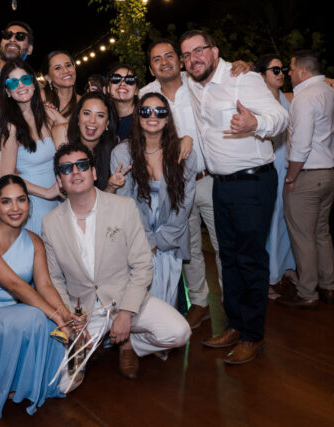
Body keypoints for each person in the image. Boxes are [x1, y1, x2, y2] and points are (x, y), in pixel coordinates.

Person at [179, 29, 288, 364]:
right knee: (228, 258)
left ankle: (253, 335)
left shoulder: (245, 79)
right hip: (221, 184)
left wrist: (256, 123)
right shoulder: (193, 84)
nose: (193, 59)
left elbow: (281, 117)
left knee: (250, 259)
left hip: (252, 182)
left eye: (199, 50)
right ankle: (236, 325)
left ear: (215, 51)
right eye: (187, 55)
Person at [42, 143, 191, 380]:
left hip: (124, 299)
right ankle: (98, 341)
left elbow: (143, 264)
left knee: (179, 332)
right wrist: (71, 319)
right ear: (60, 181)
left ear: (94, 173)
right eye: (67, 168)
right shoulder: (50, 222)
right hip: (85, 311)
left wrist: (126, 314)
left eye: (82, 165)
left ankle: (129, 344)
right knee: (63, 380)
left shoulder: (123, 207)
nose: (76, 172)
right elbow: (55, 279)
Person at [0, 175, 79, 426]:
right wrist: (55, 316)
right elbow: (14, 285)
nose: (15, 208)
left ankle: (38, 382)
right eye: (6, 202)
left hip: (15, 318)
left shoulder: (34, 241)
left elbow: (44, 285)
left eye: (21, 200)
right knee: (36, 315)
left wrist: (65, 315)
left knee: (46, 321)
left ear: (29, 204)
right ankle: (4, 385)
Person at [139, 38, 223, 328]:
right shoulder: (146, 95)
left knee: (222, 244)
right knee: (189, 248)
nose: (164, 62)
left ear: (180, 59)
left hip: (207, 178)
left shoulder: (199, 82)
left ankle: (231, 301)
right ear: (151, 68)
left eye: (169, 56)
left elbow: (232, 77)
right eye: (157, 59)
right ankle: (199, 302)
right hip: (173, 186)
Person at [111, 92, 196, 308]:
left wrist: (164, 240)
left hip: (172, 239)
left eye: (160, 111)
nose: (152, 116)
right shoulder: (122, 153)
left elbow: (185, 204)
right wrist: (148, 242)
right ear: (138, 116)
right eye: (145, 111)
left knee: (167, 304)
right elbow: (126, 203)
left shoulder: (184, 153)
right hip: (137, 238)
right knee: (139, 305)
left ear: (167, 118)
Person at [275, 50, 334, 310]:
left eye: (291, 68)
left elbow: (301, 145)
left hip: (308, 175)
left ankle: (307, 293)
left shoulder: (305, 98)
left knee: (303, 237)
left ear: (303, 71)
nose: (289, 73)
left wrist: (291, 177)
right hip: (332, 173)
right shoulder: (333, 93)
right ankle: (328, 286)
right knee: (321, 232)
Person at [0, 59, 67, 236]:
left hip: (61, 199)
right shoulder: (11, 127)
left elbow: (73, 139)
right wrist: (47, 192)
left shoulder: (48, 114)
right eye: (13, 82)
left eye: (25, 79)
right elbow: (6, 175)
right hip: (36, 202)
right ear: (7, 91)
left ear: (34, 84)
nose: (20, 85)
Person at [254, 54, 299, 298]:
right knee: (269, 220)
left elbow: (310, 88)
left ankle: (286, 267)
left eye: (282, 69)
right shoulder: (256, 100)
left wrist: (327, 80)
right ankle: (268, 277)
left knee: (285, 217)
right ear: (262, 75)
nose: (281, 74)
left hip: (286, 165)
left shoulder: (286, 97)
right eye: (275, 70)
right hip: (266, 166)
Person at [0, 21, 34, 102]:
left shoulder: (34, 88)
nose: (12, 39)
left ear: (29, 49)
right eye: (7, 35)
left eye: (20, 36)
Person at [42, 50, 81, 118]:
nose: (66, 71)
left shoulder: (83, 102)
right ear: (48, 77)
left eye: (68, 65)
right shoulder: (40, 98)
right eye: (58, 68)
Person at [105, 63, 139, 141]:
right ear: (108, 89)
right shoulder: (102, 118)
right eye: (116, 79)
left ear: (136, 91)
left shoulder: (146, 118)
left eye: (129, 80)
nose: (122, 83)